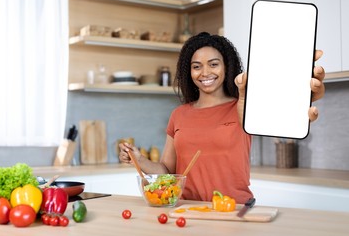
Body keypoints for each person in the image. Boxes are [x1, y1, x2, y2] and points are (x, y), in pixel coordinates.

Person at [119, 32, 325, 204]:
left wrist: (297, 99)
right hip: (188, 209)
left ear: (227, 67)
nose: (205, 72)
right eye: (197, 66)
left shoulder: (243, 106)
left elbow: (280, 113)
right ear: (188, 71)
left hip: (234, 210)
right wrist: (140, 160)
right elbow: (168, 173)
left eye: (213, 64)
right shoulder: (179, 115)